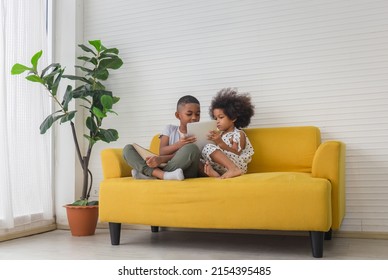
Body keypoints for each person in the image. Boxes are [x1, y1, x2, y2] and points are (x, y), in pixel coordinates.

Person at [123, 95, 201, 180]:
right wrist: (178, 144)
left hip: (186, 170)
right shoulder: (170, 129)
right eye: (189, 114)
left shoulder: (201, 132)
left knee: (191, 148)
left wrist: (161, 159)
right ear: (178, 115)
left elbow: (196, 158)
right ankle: (162, 175)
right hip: (166, 167)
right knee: (128, 149)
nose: (194, 118)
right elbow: (162, 151)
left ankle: (152, 174)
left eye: (197, 114)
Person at [201, 88, 255, 179]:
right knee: (200, 157)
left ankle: (233, 169)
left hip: (238, 164)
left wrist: (220, 142)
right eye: (215, 118)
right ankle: (217, 174)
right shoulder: (220, 134)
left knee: (208, 148)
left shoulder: (238, 134)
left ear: (233, 118)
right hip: (224, 165)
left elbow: (236, 152)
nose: (217, 121)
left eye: (221, 117)